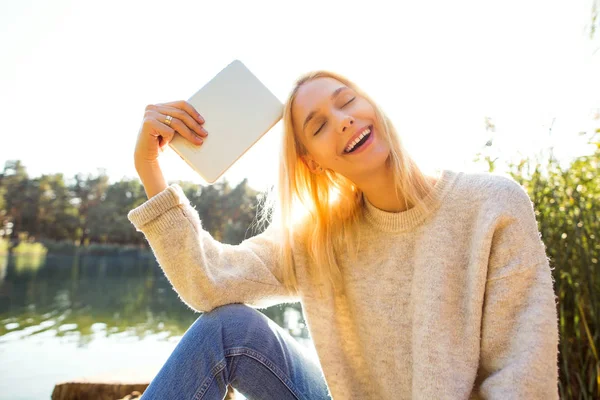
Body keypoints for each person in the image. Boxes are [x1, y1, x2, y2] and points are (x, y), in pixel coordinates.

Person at [127, 70, 560, 399]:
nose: (343, 121)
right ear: (314, 162)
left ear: (371, 105)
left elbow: (521, 375)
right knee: (226, 329)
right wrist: (150, 169)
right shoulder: (320, 238)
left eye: (347, 102)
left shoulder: (492, 205)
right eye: (317, 126)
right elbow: (209, 283)